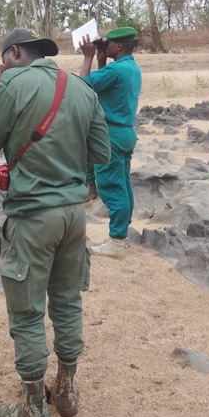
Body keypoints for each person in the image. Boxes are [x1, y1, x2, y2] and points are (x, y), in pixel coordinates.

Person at [0, 28, 110, 417]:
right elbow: (101, 151)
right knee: (67, 301)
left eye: (5, 60)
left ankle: (33, 409)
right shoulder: (82, 88)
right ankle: (67, 391)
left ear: (14, 53)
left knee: (28, 313)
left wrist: (2, 90)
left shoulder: (14, 81)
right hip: (73, 215)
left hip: (33, 215)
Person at [79, 27, 142, 259]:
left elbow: (84, 86)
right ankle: (120, 236)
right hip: (125, 132)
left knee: (111, 187)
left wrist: (87, 57)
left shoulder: (116, 69)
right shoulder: (131, 67)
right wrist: (101, 62)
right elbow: (102, 87)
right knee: (123, 186)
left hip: (111, 135)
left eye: (108, 43)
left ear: (118, 46)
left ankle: (116, 243)